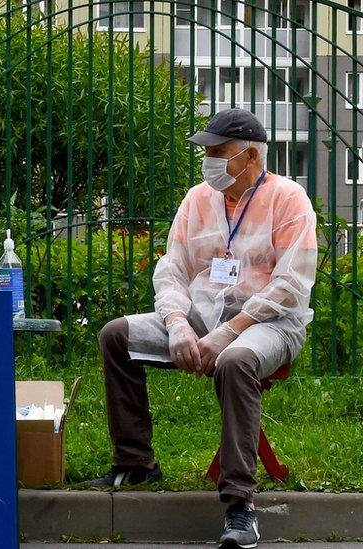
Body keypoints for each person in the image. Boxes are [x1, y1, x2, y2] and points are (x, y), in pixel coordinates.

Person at [90, 109, 317, 549]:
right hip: (201, 314)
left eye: (217, 152)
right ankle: (136, 462)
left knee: (235, 360)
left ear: (250, 156)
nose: (207, 161)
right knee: (116, 334)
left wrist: (228, 331)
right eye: (206, 152)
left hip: (270, 322)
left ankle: (239, 505)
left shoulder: (289, 199)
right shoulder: (197, 199)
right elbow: (172, 270)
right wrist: (176, 324)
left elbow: (292, 284)